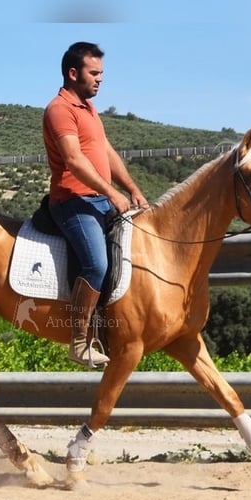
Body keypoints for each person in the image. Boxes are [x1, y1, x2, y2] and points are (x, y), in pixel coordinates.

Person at [43, 41, 149, 368]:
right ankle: (78, 342)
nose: (100, 79)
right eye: (94, 73)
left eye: (102, 73)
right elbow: (74, 161)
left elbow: (106, 151)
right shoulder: (59, 110)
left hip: (100, 200)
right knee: (97, 266)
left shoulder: (88, 109)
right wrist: (111, 193)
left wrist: (130, 188)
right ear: (73, 73)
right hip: (72, 202)